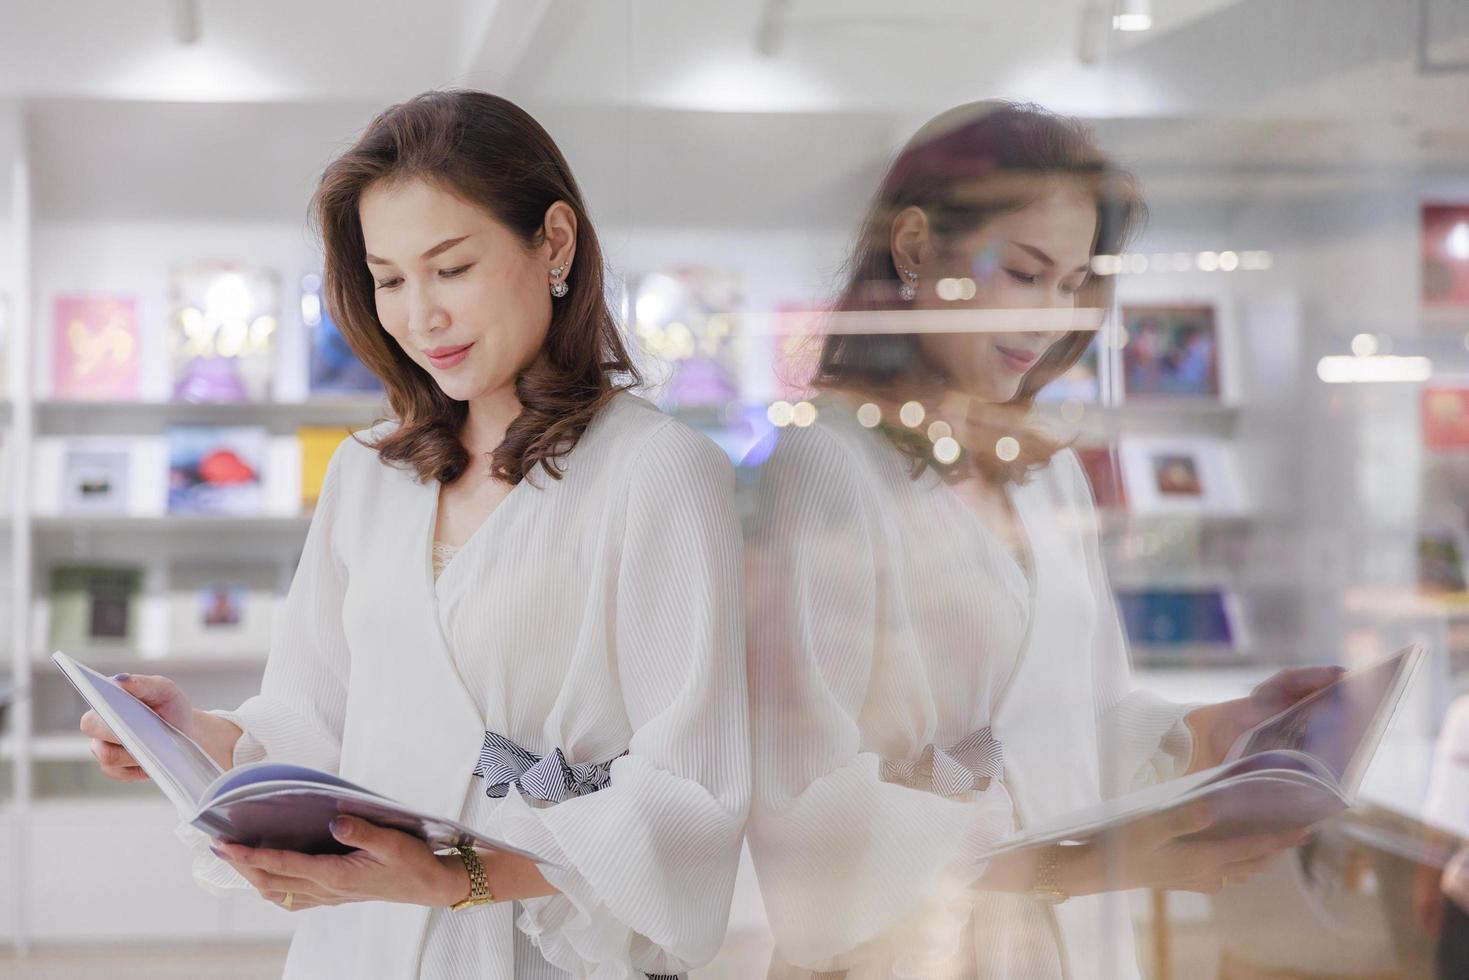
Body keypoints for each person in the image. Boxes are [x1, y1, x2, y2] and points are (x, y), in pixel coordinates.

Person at [80, 89, 749, 980]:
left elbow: (692, 793)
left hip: (540, 948)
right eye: (389, 279)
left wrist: (458, 878)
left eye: (451, 268)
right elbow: (314, 720)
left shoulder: (658, 470)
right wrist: (190, 734)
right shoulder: (369, 472)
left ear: (553, 241)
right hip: (355, 945)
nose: (419, 316)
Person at [746, 101, 1338, 980]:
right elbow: (803, 819)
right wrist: (1086, 868)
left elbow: (1074, 722)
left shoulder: (1042, 471)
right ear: (912, 247)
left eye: (1072, 285)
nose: (1051, 320)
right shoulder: (826, 468)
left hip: (1065, 949)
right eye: (1024, 274)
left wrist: (1220, 733)